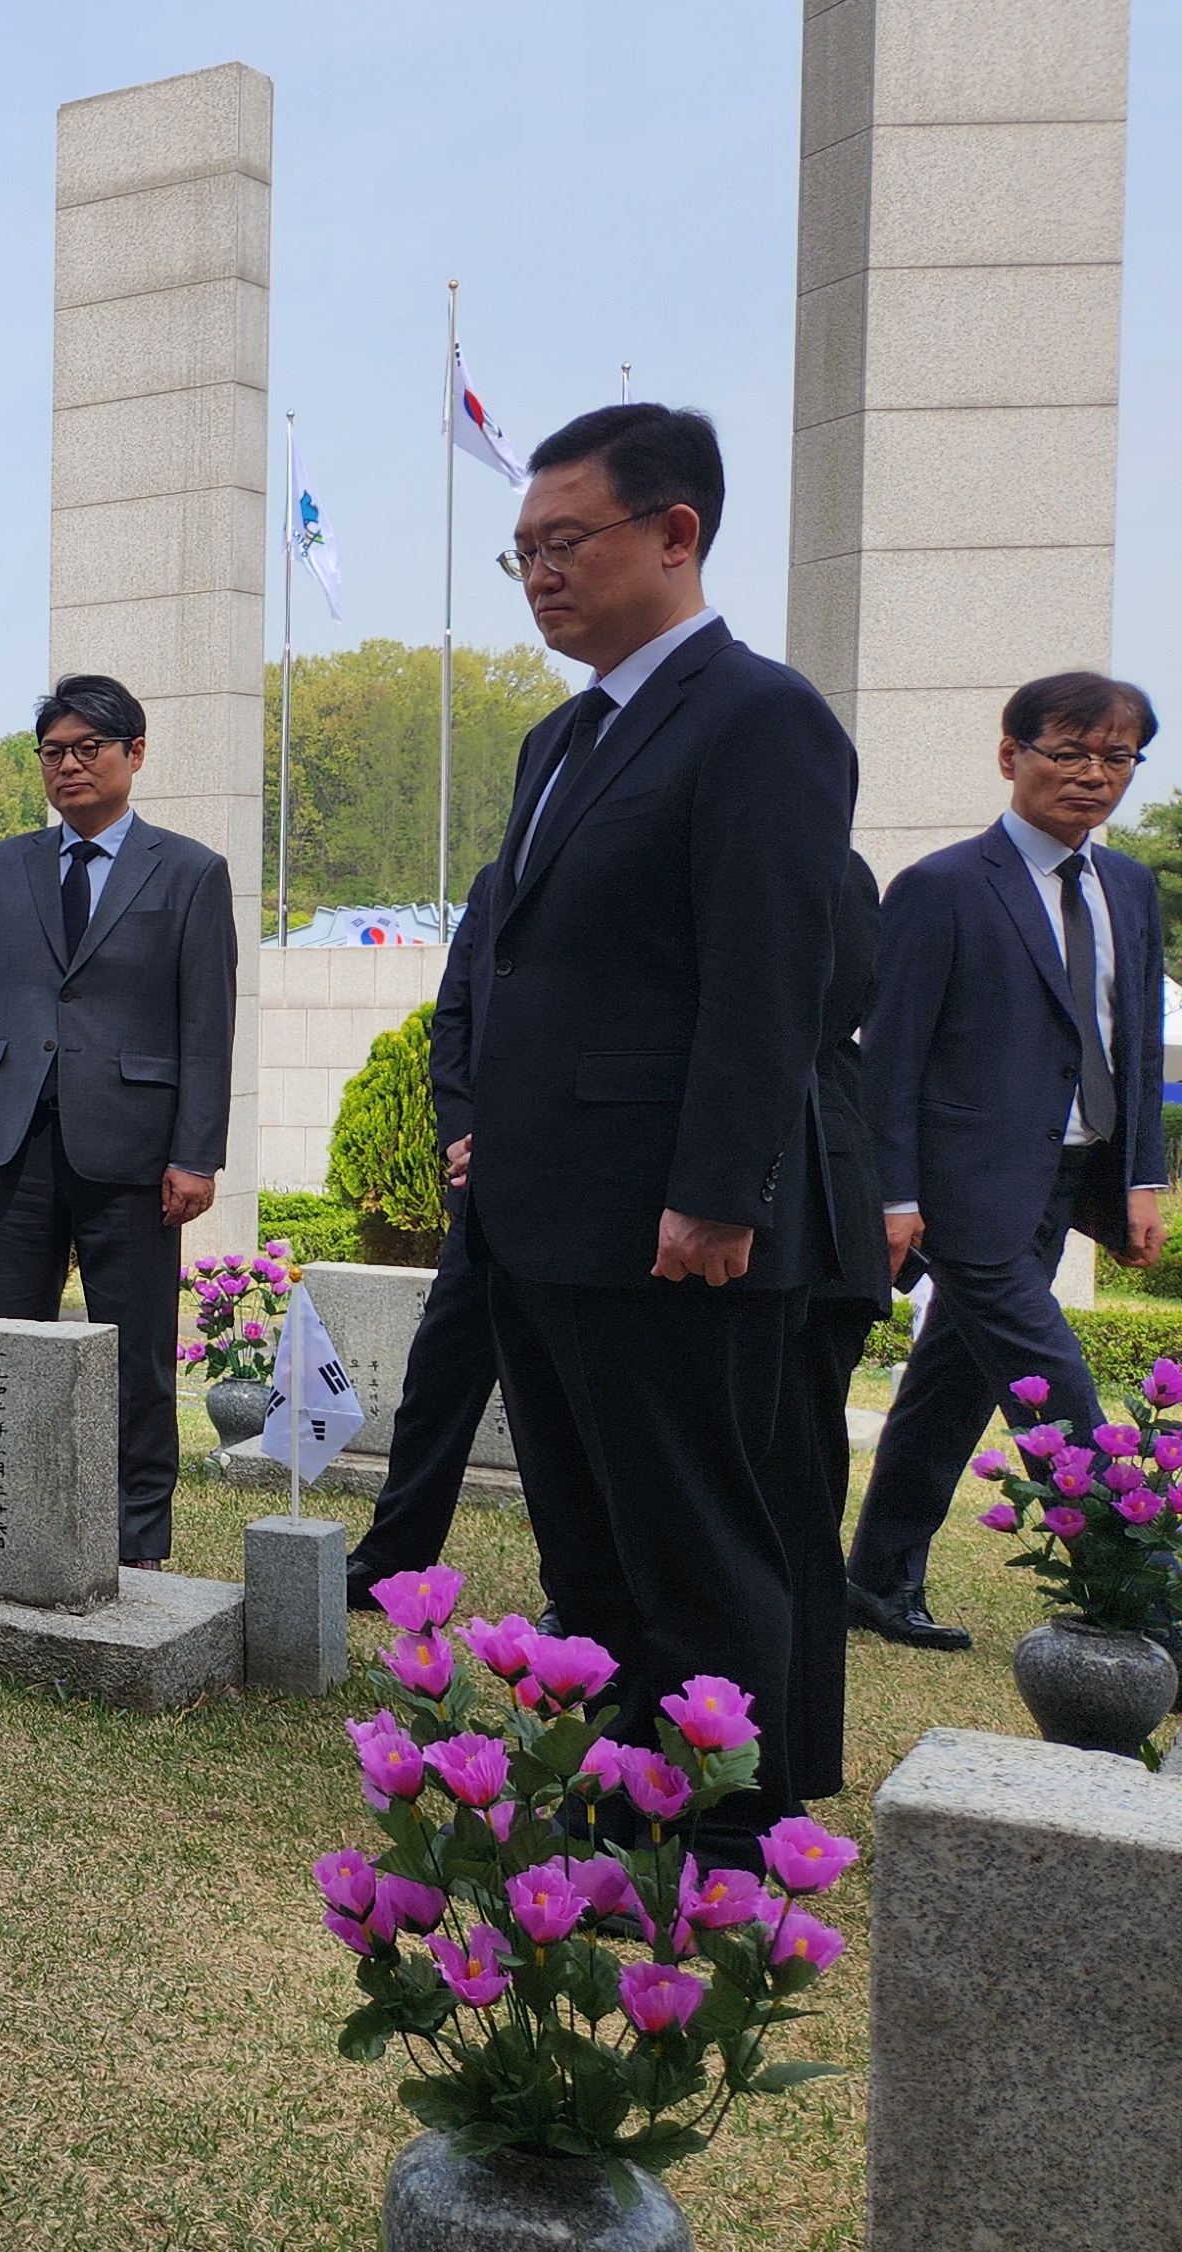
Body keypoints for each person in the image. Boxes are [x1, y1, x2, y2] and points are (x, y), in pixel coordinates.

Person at [455, 403, 851, 1844]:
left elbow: (767, 977)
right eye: (521, 552)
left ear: (675, 533)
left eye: (564, 540)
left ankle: (729, 1830)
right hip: (544, 1216)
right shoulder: (560, 737)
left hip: (671, 1222)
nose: (540, 573)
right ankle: (624, 1800)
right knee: (589, 1541)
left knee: (697, 1540)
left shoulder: (758, 717)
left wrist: (718, 1188)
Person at [850, 672, 1167, 1652]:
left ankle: (875, 1579)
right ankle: (1140, 1603)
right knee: (1055, 1382)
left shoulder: (1128, 886)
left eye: (1116, 757)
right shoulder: (942, 885)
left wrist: (1142, 1177)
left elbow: (1135, 1043)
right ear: (1010, 756)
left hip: (1071, 1176)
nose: (1093, 774)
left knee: (951, 1382)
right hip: (963, 1190)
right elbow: (890, 1053)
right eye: (1068, 752)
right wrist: (893, 1193)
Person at [0, 674, 238, 1569]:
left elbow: (206, 1025)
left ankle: (137, 1537)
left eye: (87, 749)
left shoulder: (190, 872)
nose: (67, 766)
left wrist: (196, 1154)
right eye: (52, 752)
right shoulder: (1, 867)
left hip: (133, 1155)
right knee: (4, 1344)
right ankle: (6, 1521)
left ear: (134, 753)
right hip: (9, 1143)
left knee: (137, 1356)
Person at [343, 860, 508, 1605]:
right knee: (437, 1381)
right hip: (483, 1192)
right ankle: (392, 1558)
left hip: (580, 1191)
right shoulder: (495, 883)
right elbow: (455, 1020)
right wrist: (463, 1134)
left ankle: (578, 1586)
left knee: (568, 1404)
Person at [769, 854, 885, 1804]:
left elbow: (812, 1009)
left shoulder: (821, 867)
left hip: (809, 1206)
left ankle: (793, 1749)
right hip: (809, 1193)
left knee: (796, 1496)